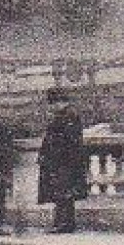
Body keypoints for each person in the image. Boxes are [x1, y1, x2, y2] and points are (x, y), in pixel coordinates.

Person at [39, 89, 87, 233]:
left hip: (63, 162)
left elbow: (66, 142)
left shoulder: (68, 117)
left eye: (53, 104)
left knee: (62, 193)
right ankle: (65, 223)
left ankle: (63, 224)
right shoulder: (65, 116)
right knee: (64, 193)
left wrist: (52, 156)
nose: (51, 107)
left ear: (60, 102)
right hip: (64, 162)